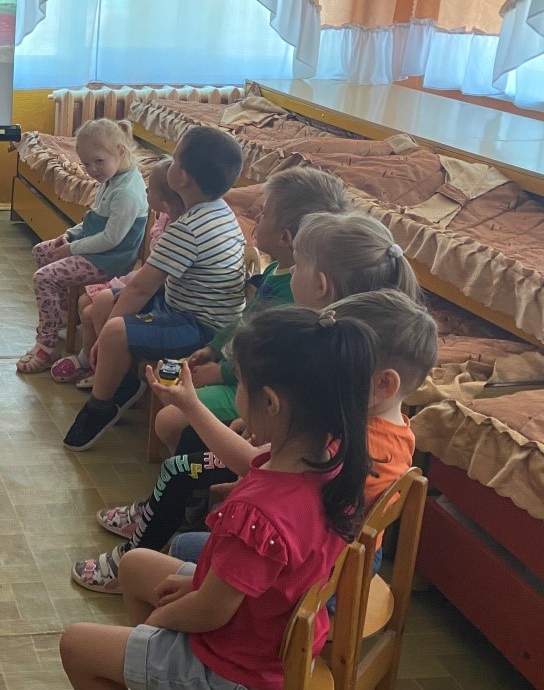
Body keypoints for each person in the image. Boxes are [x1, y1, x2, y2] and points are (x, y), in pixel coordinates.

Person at [78, 209, 421, 591]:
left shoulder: (349, 429)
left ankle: (135, 558)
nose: (291, 272)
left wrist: (197, 407)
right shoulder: (360, 395)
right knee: (186, 484)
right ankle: (163, 527)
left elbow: (264, 464)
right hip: (316, 545)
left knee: (180, 472)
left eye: (299, 266)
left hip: (312, 573)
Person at [59, 305, 375, 690]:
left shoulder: (257, 514)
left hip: (233, 667)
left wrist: (159, 623)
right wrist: (190, 405)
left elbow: (210, 612)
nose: (236, 392)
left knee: (76, 645)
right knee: (135, 564)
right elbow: (247, 460)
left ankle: (159, 665)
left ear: (270, 403)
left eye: (240, 383)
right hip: (265, 625)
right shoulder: (327, 462)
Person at [164, 288, 436, 566]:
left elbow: (251, 463)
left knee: (183, 546)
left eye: (337, 369)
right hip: (351, 552)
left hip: (325, 566)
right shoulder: (394, 428)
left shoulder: (349, 443)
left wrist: (191, 406)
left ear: (384, 384)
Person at [63, 126, 245, 450]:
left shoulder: (188, 228)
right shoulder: (218, 210)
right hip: (182, 306)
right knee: (104, 302)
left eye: (175, 159)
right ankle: (123, 380)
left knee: (115, 330)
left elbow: (140, 289)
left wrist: (104, 339)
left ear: (182, 177)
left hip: (200, 325)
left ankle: (101, 406)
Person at [152, 167, 350, 450]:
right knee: (169, 378)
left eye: (265, 213)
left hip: (253, 386)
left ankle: (200, 465)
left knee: (169, 418)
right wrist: (212, 348)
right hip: (237, 369)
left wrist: (219, 373)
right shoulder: (275, 270)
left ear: (286, 237)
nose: (256, 217)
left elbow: (272, 358)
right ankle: (198, 452)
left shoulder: (296, 295)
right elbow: (245, 321)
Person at [19, 119, 149, 374]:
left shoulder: (127, 193)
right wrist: (70, 234)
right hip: (96, 250)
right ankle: (62, 312)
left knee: (44, 278)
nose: (92, 170)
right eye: (86, 164)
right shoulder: (112, 179)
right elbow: (94, 219)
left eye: (98, 161)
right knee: (42, 251)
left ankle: (47, 345)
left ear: (120, 152)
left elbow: (111, 239)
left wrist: (73, 248)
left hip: (109, 261)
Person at [51, 159, 185, 386]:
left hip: (155, 286)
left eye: (150, 189)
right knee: (85, 302)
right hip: (145, 277)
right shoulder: (164, 217)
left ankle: (104, 366)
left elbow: (153, 282)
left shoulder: (179, 230)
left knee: (93, 310)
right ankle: (92, 358)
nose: (145, 192)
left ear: (165, 200)